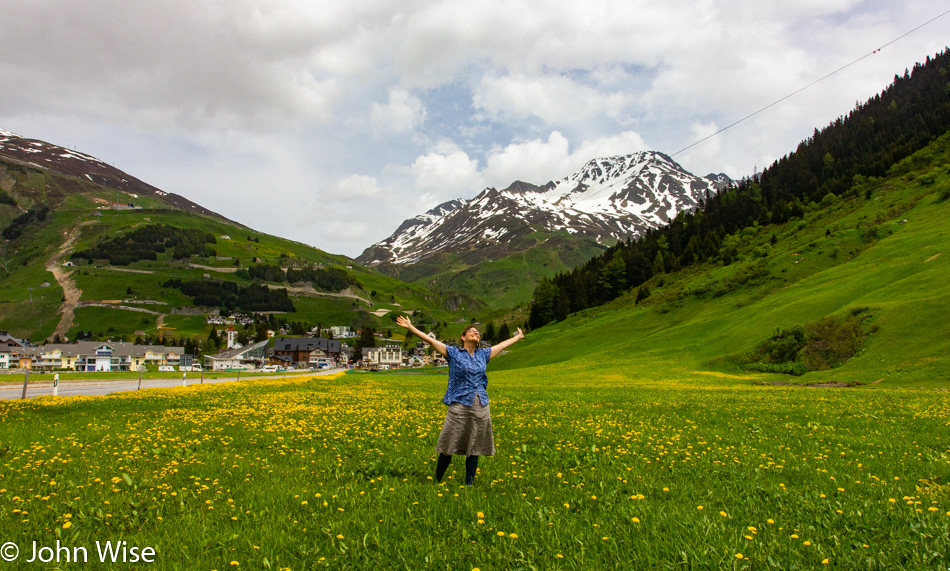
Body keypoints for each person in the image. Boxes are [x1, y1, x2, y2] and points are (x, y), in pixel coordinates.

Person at [396, 315, 524, 486]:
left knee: (475, 446)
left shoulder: (483, 354)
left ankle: (469, 484)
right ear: (463, 337)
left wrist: (518, 337)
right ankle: (436, 480)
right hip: (459, 404)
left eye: (477, 333)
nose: (476, 333)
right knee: (449, 444)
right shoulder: (454, 353)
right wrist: (411, 328)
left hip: (480, 404)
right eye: (472, 331)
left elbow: (501, 346)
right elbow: (430, 341)